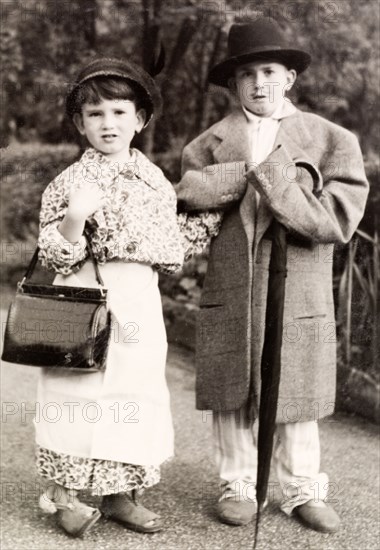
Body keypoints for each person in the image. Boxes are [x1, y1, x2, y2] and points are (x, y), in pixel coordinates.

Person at [175, 19, 369, 534]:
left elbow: (336, 220)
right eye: (246, 74)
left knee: (295, 390)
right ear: (234, 84)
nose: (258, 83)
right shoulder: (208, 143)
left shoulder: (332, 140)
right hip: (232, 288)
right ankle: (238, 483)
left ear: (290, 78)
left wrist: (280, 190)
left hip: (297, 286)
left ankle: (302, 487)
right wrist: (245, 174)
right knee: (232, 387)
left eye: (268, 71)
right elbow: (188, 193)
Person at [35, 57, 185, 537]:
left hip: (136, 297)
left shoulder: (156, 182)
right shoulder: (68, 182)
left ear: (140, 120)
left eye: (120, 113)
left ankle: (121, 492)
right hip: (80, 293)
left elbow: (169, 248)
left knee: (132, 393)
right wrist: (76, 216)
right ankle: (65, 496)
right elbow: (55, 254)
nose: (108, 124)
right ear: (79, 122)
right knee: (74, 391)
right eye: (95, 114)